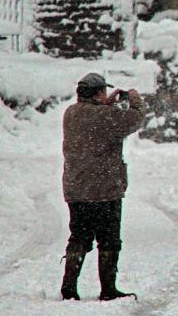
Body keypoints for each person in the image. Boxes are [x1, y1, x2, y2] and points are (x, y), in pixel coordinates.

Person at [60, 72, 146, 301]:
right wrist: (135, 99)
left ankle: (69, 287)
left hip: (76, 190)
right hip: (104, 191)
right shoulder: (108, 116)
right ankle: (108, 289)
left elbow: (94, 119)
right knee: (109, 240)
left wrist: (105, 105)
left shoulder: (71, 113)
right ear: (98, 93)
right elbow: (135, 119)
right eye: (104, 92)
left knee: (78, 237)